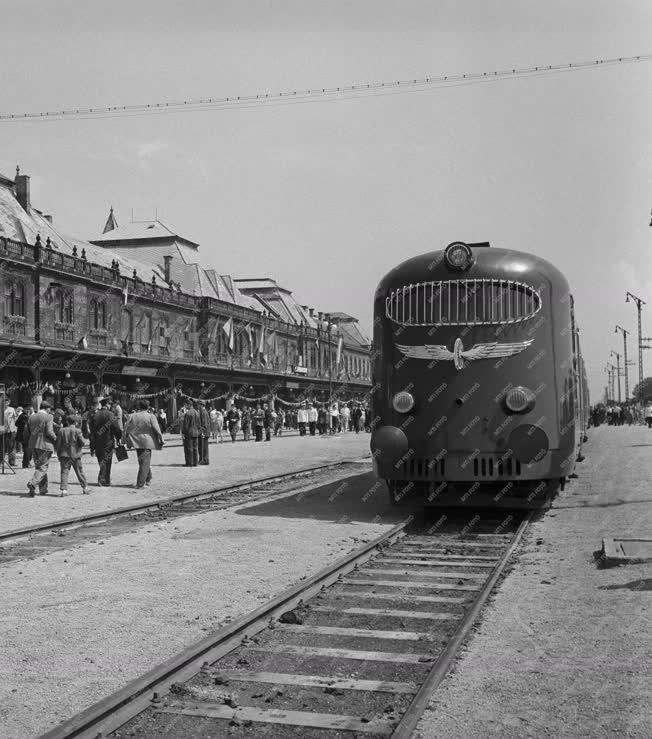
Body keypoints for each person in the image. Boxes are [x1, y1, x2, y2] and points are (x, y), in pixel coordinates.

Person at [124, 399, 164, 489]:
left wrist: (125, 440)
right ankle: (140, 484)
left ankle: (148, 478)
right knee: (144, 462)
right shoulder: (151, 416)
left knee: (143, 461)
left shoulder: (132, 416)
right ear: (148, 407)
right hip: (147, 442)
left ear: (139, 407)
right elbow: (157, 429)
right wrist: (161, 439)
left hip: (136, 442)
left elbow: (126, 429)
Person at [26, 400, 57, 497]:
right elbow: (49, 432)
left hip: (33, 444)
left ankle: (43, 489)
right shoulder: (49, 416)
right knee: (43, 467)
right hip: (44, 445)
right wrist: (57, 440)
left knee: (39, 467)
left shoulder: (32, 416)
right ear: (47, 408)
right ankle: (32, 483)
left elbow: (27, 431)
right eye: (50, 409)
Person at [89, 398, 122, 487]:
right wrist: (118, 438)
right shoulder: (111, 415)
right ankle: (103, 480)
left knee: (101, 460)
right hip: (108, 441)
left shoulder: (95, 415)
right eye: (110, 404)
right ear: (107, 404)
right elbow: (117, 429)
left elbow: (91, 431)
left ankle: (105, 479)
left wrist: (92, 446)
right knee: (107, 461)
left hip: (97, 441)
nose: (110, 405)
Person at [56, 415, 89, 496]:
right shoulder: (78, 431)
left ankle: (64, 490)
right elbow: (82, 442)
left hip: (64, 454)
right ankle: (85, 488)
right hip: (76, 455)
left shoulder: (61, 430)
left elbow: (58, 444)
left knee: (64, 472)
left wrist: (59, 454)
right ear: (76, 422)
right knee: (79, 472)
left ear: (67, 422)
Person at [182, 401, 200, 466]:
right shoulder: (197, 413)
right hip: (196, 432)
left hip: (189, 433)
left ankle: (190, 463)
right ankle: (196, 462)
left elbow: (185, 425)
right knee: (195, 448)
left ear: (189, 405)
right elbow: (199, 424)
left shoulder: (188, 413)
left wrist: (183, 433)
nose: (185, 406)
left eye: (186, 405)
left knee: (189, 448)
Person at [3, 402, 17, 467]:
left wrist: (15, 427)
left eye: (7, 402)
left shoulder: (12, 409)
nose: (6, 403)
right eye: (4, 402)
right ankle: (1, 461)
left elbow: (15, 418)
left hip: (12, 430)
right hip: (3, 430)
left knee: (12, 447)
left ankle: (12, 462)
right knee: (3, 446)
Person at [197, 400, 210, 465]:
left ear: (202, 405)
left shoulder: (204, 412)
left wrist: (202, 433)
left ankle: (204, 460)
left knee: (203, 448)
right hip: (204, 432)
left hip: (204, 433)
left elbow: (204, 424)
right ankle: (202, 460)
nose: (197, 406)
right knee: (202, 447)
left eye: (198, 404)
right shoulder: (202, 412)